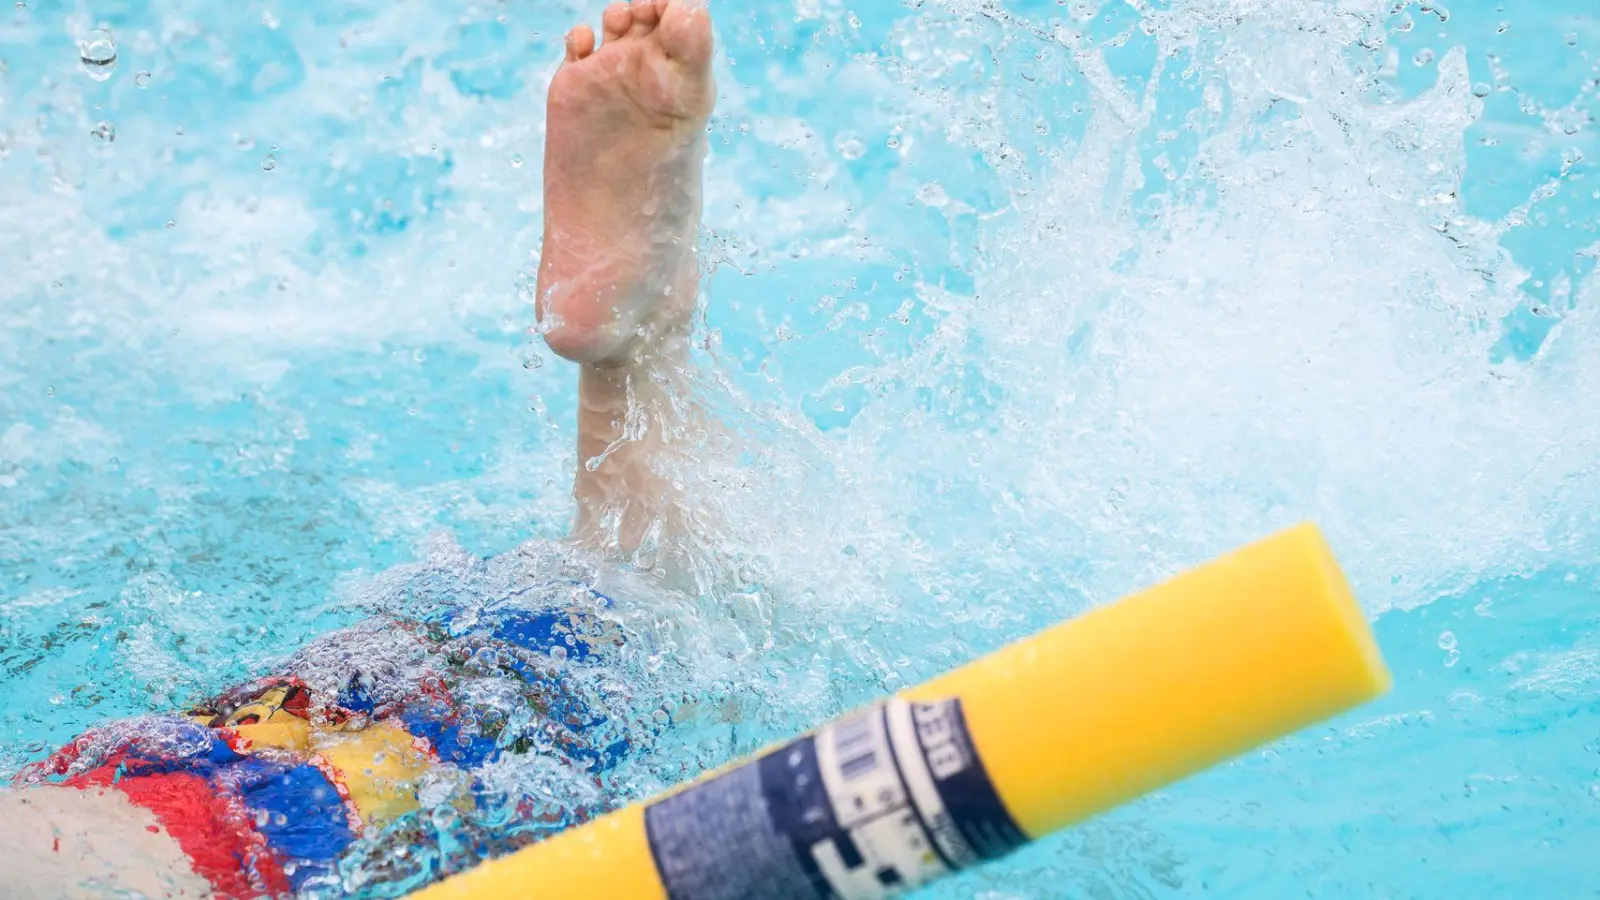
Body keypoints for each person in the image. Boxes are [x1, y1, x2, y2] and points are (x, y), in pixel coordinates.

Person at [1, 1, 718, 896]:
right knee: (616, 626)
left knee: (657, 646)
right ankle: (636, 358)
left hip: (191, 848)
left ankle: (637, 356)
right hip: (116, 794)